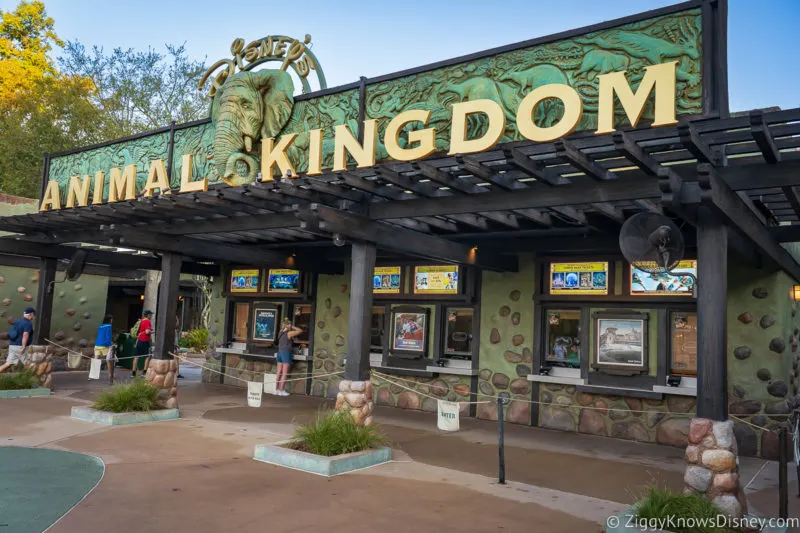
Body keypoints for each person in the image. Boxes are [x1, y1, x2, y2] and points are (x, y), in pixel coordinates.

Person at [0, 307, 35, 374]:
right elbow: (25, 334)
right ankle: (35, 381)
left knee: (8, 364)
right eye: (33, 314)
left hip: (12, 345)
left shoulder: (18, 321)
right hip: (20, 346)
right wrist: (23, 347)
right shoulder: (28, 323)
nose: (34, 316)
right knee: (29, 364)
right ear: (31, 314)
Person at [275, 318, 302, 396]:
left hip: (279, 353)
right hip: (286, 353)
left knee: (278, 372)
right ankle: (281, 390)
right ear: (288, 325)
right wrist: (293, 327)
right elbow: (300, 331)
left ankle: (276, 390)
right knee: (284, 373)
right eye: (290, 324)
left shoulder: (280, 332)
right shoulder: (289, 333)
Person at [95, 315, 116, 384]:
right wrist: (110, 345)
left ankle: (93, 375)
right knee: (109, 360)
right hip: (104, 345)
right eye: (112, 319)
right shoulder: (109, 326)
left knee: (96, 359)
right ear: (109, 320)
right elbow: (107, 336)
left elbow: (100, 335)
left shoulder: (100, 326)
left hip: (97, 344)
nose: (112, 321)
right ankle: (110, 376)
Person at [131, 310, 153, 378]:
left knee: (136, 356)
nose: (151, 316)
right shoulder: (147, 321)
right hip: (145, 341)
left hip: (139, 340)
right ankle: (144, 372)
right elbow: (147, 332)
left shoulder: (141, 321)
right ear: (148, 315)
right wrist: (153, 332)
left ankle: (133, 373)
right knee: (147, 356)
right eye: (151, 315)